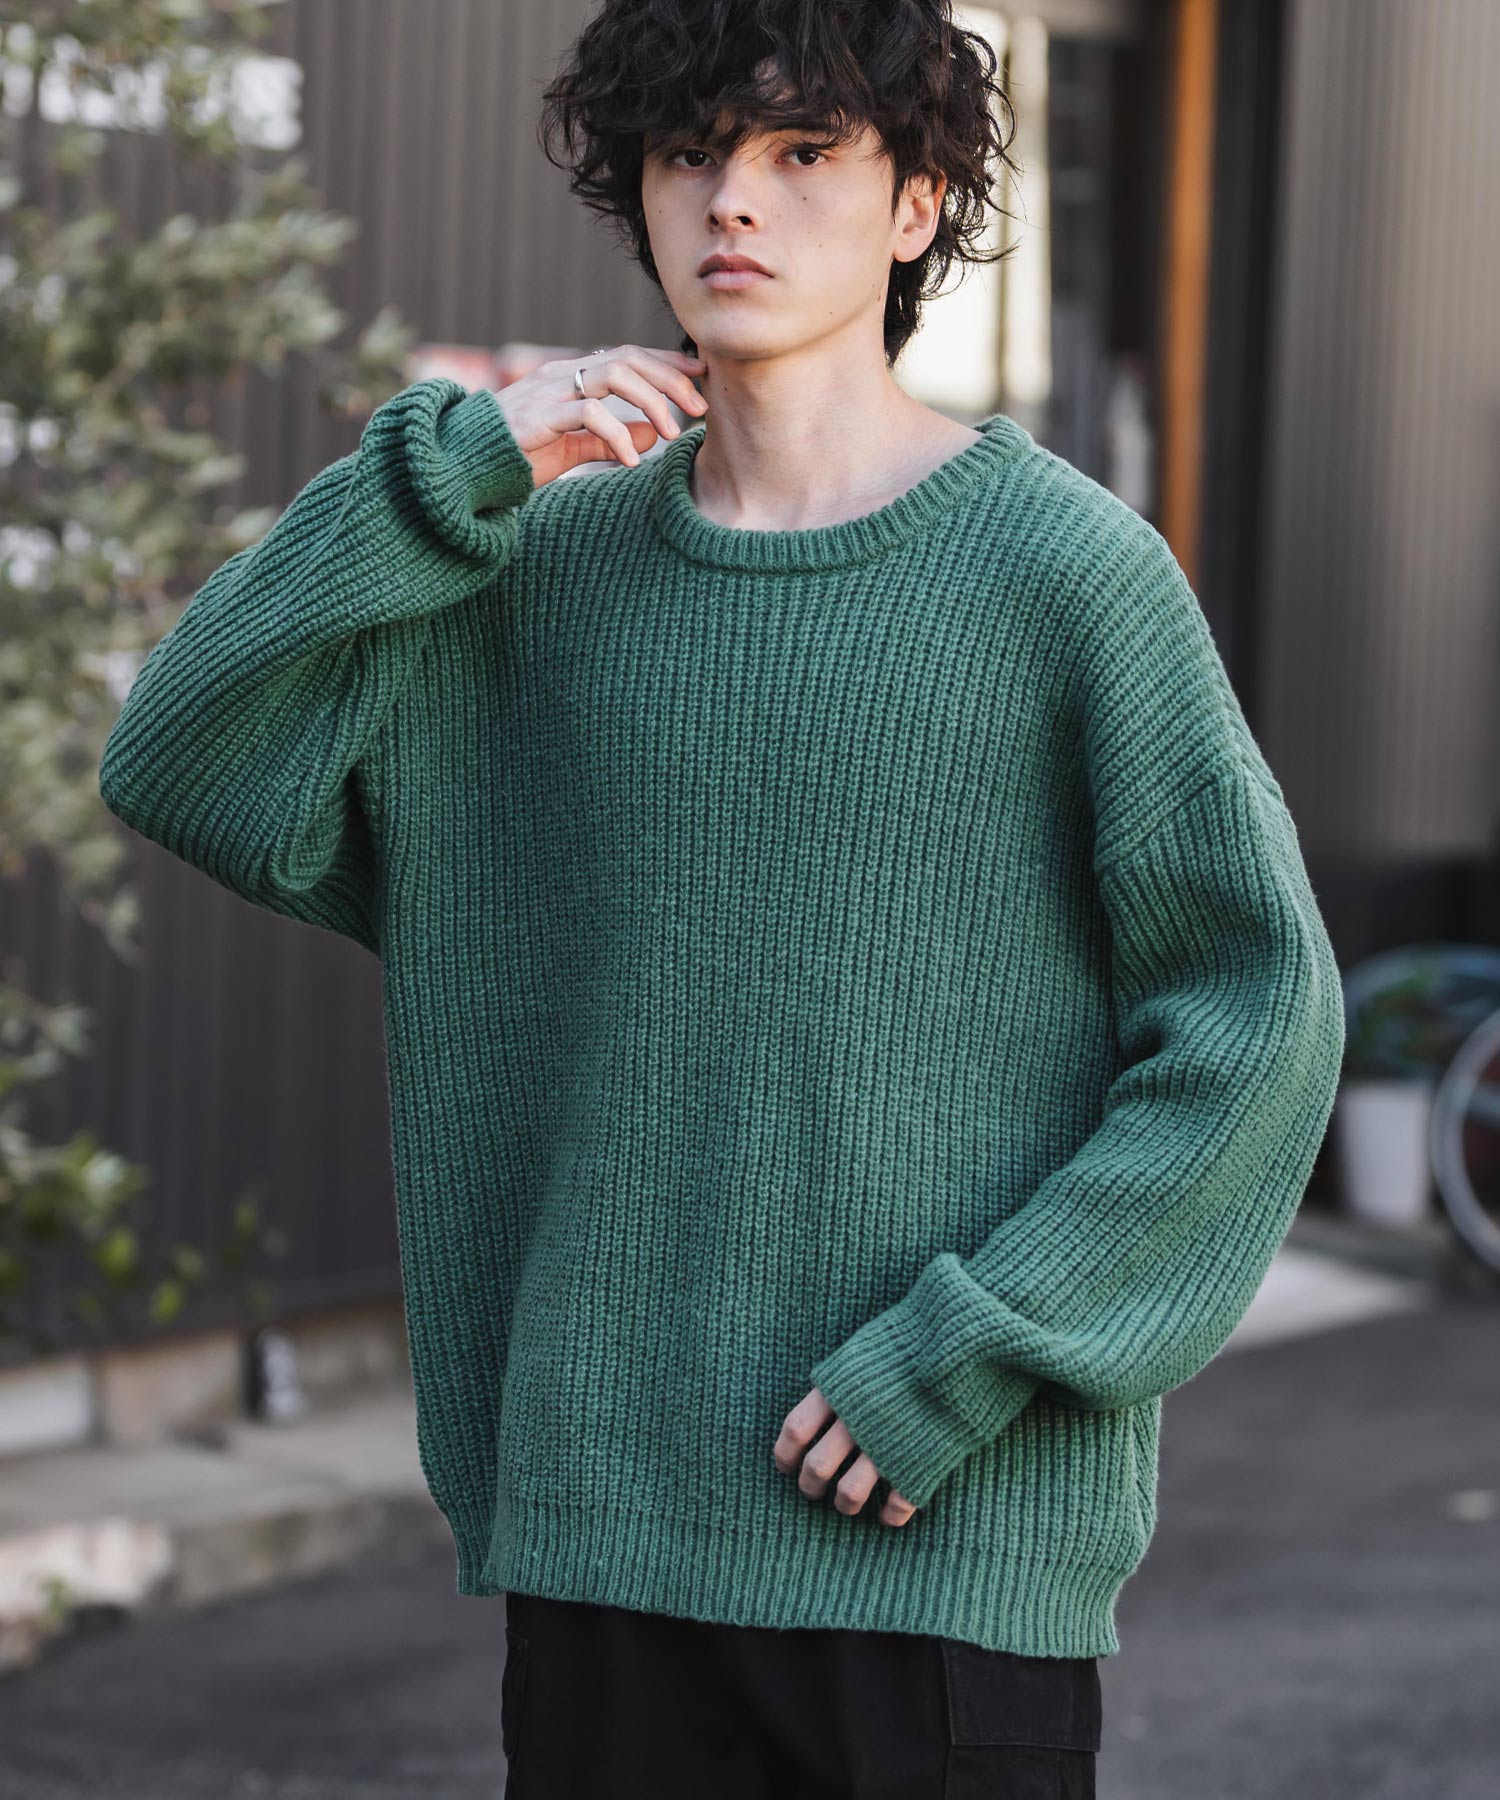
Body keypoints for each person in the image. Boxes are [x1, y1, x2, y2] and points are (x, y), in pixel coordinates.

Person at [97, 2, 1346, 1795]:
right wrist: (451, 472)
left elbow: (1257, 1021)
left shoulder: (1066, 574)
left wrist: (976, 1351)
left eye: (803, 152)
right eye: (689, 153)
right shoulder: (534, 570)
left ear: (916, 205)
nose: (732, 201)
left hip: (940, 1553)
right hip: (604, 1554)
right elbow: (185, 760)